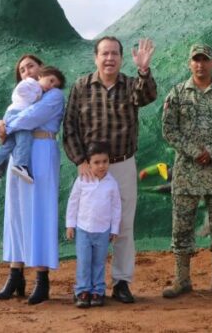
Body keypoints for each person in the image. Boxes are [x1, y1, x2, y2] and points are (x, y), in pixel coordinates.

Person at [63, 37, 156, 304]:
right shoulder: (82, 86)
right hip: (90, 170)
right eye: (104, 53)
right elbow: (69, 127)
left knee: (123, 226)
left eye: (115, 54)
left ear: (122, 58)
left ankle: (122, 282)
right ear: (96, 57)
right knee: (88, 228)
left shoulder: (130, 84)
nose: (109, 58)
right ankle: (88, 287)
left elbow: (147, 95)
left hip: (123, 164)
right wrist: (80, 160)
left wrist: (144, 71)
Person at [161, 43, 212, 298]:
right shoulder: (177, 94)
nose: (200, 64)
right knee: (182, 227)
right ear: (189, 63)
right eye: (196, 60)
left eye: (205, 60)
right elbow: (169, 130)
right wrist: (196, 152)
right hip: (187, 172)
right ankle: (182, 279)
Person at [0, 56, 66, 305]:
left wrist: (5, 124)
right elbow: (6, 129)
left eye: (31, 66)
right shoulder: (22, 98)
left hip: (44, 150)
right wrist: (3, 127)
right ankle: (15, 276)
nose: (26, 72)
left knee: (41, 211)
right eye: (22, 70)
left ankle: (42, 280)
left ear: (41, 68)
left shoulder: (54, 95)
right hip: (19, 155)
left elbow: (30, 118)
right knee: (15, 212)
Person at [0, 68, 65, 183]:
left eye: (54, 85)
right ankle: (20, 165)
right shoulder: (32, 83)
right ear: (41, 75)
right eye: (51, 80)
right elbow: (21, 91)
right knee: (24, 140)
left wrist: (6, 126)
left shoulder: (50, 93)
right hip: (17, 116)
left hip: (15, 117)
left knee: (9, 144)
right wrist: (34, 98)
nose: (51, 86)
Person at [66, 141, 121, 308]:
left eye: (105, 161)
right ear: (88, 163)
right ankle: (82, 291)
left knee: (99, 262)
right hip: (83, 230)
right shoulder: (82, 180)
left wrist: (114, 229)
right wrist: (70, 225)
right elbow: (73, 202)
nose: (101, 166)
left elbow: (116, 207)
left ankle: (98, 291)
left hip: (103, 231)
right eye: (96, 162)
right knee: (84, 261)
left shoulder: (112, 183)